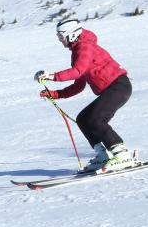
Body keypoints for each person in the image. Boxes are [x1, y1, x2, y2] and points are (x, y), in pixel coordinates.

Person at [34, 17, 135, 172]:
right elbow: (78, 85)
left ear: (72, 35)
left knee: (96, 119)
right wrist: (55, 94)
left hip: (119, 86)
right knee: (83, 119)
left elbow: (77, 72)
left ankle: (122, 155)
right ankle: (102, 156)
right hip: (112, 89)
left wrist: (51, 76)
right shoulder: (77, 51)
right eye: (58, 37)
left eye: (61, 36)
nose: (60, 41)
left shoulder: (85, 48)